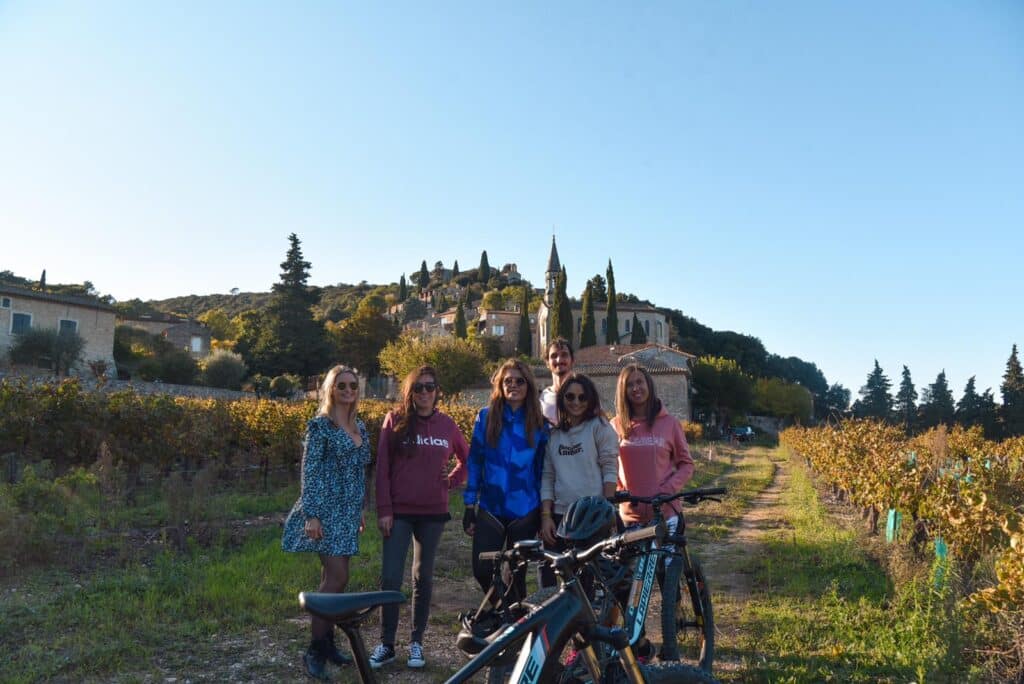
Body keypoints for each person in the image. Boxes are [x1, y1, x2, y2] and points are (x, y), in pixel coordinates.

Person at [369, 366, 469, 670]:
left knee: (422, 577)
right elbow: (382, 470)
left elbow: (469, 460)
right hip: (398, 512)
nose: (424, 393)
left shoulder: (447, 425)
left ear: (438, 391)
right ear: (409, 392)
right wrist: (384, 510)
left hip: (433, 513)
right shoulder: (394, 421)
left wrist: (450, 481)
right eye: (418, 388)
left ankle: (416, 642)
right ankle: (387, 643)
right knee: (390, 577)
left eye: (430, 387)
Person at [281, 365, 371, 680]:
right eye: (342, 385)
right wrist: (312, 515)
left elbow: (360, 472)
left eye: (353, 386)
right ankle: (314, 651)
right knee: (336, 578)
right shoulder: (320, 427)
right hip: (326, 511)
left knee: (336, 580)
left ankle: (328, 643)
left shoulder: (360, 425)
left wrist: (361, 508)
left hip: (348, 512)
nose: (348, 390)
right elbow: (310, 472)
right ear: (331, 389)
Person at [612, 363, 695, 661]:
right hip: (631, 517)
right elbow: (612, 467)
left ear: (649, 385)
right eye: (630, 384)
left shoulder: (669, 423)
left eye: (640, 382)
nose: (636, 388)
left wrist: (668, 488)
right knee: (630, 585)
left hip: (666, 514)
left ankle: (671, 637)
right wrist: (620, 489)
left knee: (666, 578)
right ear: (623, 391)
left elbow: (686, 463)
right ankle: (640, 641)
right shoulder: (616, 426)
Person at [463, 359, 548, 604]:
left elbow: (543, 470)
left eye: (519, 381)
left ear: (528, 386)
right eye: (507, 380)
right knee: (482, 570)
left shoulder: (539, 424)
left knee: (517, 577)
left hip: (525, 510)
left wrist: (545, 514)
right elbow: (475, 461)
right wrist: (470, 505)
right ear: (500, 385)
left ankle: (515, 631)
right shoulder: (486, 418)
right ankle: (504, 612)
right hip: (491, 507)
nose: (513, 385)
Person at [539, 373, 619, 588]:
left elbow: (610, 468)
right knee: (547, 572)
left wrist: (608, 507)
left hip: (590, 517)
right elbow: (547, 477)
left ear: (590, 399)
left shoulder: (599, 427)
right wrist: (546, 515)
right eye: (570, 397)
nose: (576, 402)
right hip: (560, 516)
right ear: (562, 399)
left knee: (585, 582)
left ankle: (584, 622)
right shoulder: (554, 436)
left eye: (582, 398)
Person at [539, 337, 574, 425]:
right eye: (554, 356)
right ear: (547, 363)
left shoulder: (585, 395)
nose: (559, 360)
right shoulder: (541, 399)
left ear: (572, 361)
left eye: (564, 355)